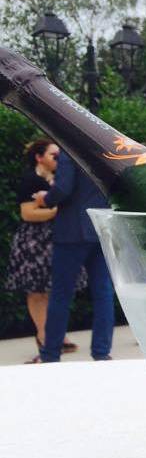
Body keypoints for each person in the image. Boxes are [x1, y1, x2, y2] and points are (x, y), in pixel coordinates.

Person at [32, 152, 115, 362]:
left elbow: (63, 188)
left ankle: (50, 354)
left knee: (61, 295)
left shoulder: (69, 152)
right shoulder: (105, 151)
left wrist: (46, 198)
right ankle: (101, 353)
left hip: (72, 232)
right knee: (103, 294)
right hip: (101, 228)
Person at [4, 140, 82, 361]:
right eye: (53, 155)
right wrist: (56, 210)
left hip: (58, 238)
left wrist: (48, 206)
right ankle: (43, 335)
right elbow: (27, 213)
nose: (58, 159)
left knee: (55, 289)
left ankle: (57, 335)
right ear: (39, 157)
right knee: (37, 290)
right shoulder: (31, 180)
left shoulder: (62, 180)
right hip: (35, 242)